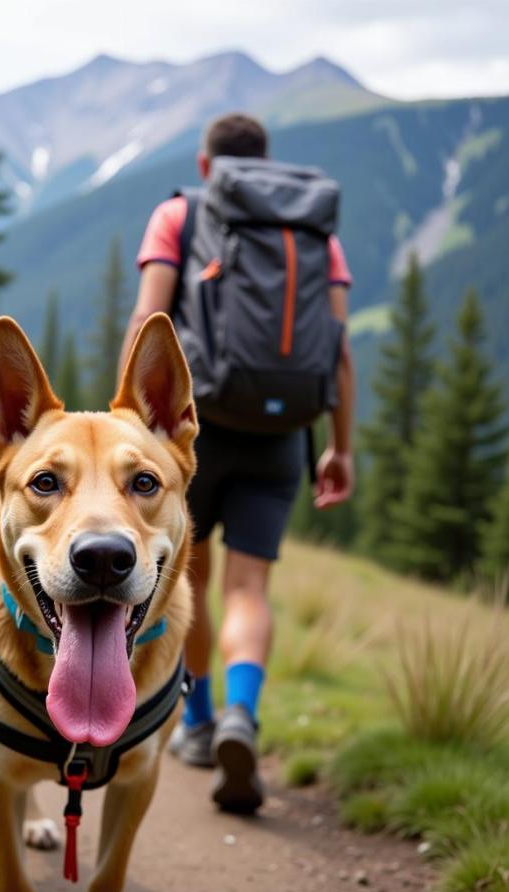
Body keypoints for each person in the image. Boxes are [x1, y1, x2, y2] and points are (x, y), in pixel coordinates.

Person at [117, 113, 355, 814]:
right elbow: (338, 348)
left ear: (205, 166)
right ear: (267, 165)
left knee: (189, 574)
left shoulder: (179, 214)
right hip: (284, 435)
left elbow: (147, 322)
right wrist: (339, 447)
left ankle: (196, 722)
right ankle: (242, 715)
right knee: (251, 589)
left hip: (197, 433)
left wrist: (127, 430)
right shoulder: (314, 231)